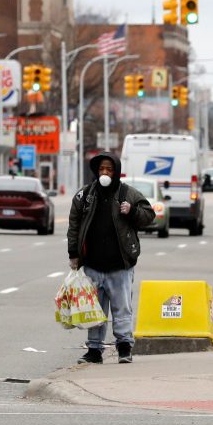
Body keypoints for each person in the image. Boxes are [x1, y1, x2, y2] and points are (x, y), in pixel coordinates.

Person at [66, 153, 156, 364]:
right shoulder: (85, 195)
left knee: (122, 307)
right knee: (94, 309)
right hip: (93, 264)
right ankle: (94, 350)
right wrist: (74, 254)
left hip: (120, 265)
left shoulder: (128, 194)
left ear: (116, 172)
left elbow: (148, 216)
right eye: (101, 170)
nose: (105, 173)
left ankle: (124, 347)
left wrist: (132, 211)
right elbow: (74, 225)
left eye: (109, 169)